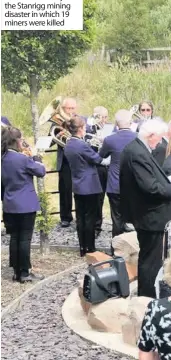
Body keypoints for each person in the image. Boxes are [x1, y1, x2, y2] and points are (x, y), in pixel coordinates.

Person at [120, 119, 171, 298]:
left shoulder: (138, 149)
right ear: (151, 135)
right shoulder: (137, 153)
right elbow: (149, 187)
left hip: (151, 215)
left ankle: (149, 295)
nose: (160, 143)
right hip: (150, 216)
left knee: (153, 259)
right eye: (160, 138)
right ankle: (147, 298)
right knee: (151, 261)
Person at [1, 126, 46, 283]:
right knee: (24, 239)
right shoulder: (22, 159)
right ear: (17, 141)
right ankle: (25, 272)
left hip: (9, 204)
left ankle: (16, 271)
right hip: (25, 205)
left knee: (14, 238)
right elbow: (41, 171)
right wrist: (35, 157)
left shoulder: (3, 158)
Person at [64, 117, 106, 256]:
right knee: (90, 218)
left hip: (77, 184)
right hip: (89, 185)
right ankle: (90, 247)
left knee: (80, 218)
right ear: (81, 129)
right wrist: (101, 146)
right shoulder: (81, 145)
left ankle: (82, 247)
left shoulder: (69, 143)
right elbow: (97, 159)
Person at [98, 109, 137, 238]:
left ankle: (116, 250)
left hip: (115, 184)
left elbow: (101, 156)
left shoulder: (110, 139)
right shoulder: (138, 137)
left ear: (116, 123)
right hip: (133, 184)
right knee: (136, 217)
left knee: (116, 218)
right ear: (131, 123)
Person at [57, 97, 80, 228]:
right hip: (65, 161)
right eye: (68, 108)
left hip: (77, 160)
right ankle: (65, 217)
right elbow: (52, 137)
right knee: (65, 190)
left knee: (79, 189)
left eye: (72, 108)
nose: (70, 111)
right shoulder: (58, 122)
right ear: (63, 109)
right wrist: (60, 134)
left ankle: (80, 215)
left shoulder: (80, 120)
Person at [91, 106, 109, 238]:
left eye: (105, 117)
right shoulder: (89, 129)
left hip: (111, 165)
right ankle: (97, 225)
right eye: (99, 117)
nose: (102, 120)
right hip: (99, 166)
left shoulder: (111, 129)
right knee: (98, 197)